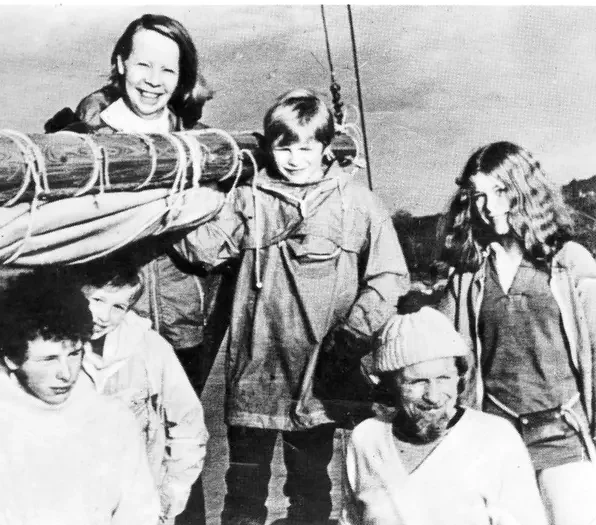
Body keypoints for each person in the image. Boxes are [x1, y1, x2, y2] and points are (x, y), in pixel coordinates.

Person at [171, 89, 410, 525]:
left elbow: (390, 277)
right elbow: (201, 253)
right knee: (242, 490)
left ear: (325, 149)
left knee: (311, 488)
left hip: (319, 377)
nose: (295, 159)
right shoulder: (248, 199)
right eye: (284, 147)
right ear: (268, 147)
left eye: (306, 147)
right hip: (254, 372)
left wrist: (353, 334)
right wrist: (195, 194)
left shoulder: (357, 203)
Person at [45, 15, 228, 524]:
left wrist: (174, 212)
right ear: (121, 63)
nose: (153, 79)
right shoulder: (80, 144)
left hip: (179, 329)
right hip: (96, 330)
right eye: (143, 63)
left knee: (179, 453)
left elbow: (217, 249)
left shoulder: (203, 148)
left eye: (167, 69)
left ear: (182, 78)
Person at [437, 141, 596, 525]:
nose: (490, 207)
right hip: (496, 441)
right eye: (479, 196)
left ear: (526, 190)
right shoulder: (468, 276)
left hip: (564, 436)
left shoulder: (569, 262)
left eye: (501, 191)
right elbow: (437, 349)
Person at [0, 270, 159, 525]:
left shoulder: (114, 419)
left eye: (74, 354)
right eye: (48, 359)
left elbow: (139, 513)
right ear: (11, 359)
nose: (65, 373)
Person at [341, 307, 547, 525]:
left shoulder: (494, 437)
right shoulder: (366, 439)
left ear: (459, 377)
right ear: (390, 385)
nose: (433, 396)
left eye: (443, 378)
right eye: (417, 381)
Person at [66, 254, 208, 525]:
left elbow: (189, 426)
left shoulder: (149, 347)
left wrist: (171, 494)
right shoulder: (45, 348)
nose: (105, 317)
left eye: (119, 306)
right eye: (97, 300)